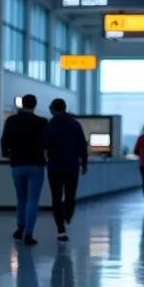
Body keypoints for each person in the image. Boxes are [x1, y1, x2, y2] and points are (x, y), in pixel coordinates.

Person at [1, 94, 48, 246]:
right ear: (35, 105)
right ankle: (29, 233)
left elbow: (5, 141)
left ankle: (20, 228)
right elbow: (46, 142)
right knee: (32, 200)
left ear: (22, 104)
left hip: (17, 164)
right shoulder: (42, 122)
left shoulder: (12, 120)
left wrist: (6, 153)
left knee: (21, 198)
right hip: (36, 164)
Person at [44, 97, 88, 242]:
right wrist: (84, 163)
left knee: (56, 197)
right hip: (71, 167)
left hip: (55, 166)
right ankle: (68, 215)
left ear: (54, 109)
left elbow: (44, 143)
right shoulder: (75, 124)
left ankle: (60, 228)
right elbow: (82, 145)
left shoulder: (51, 125)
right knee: (70, 195)